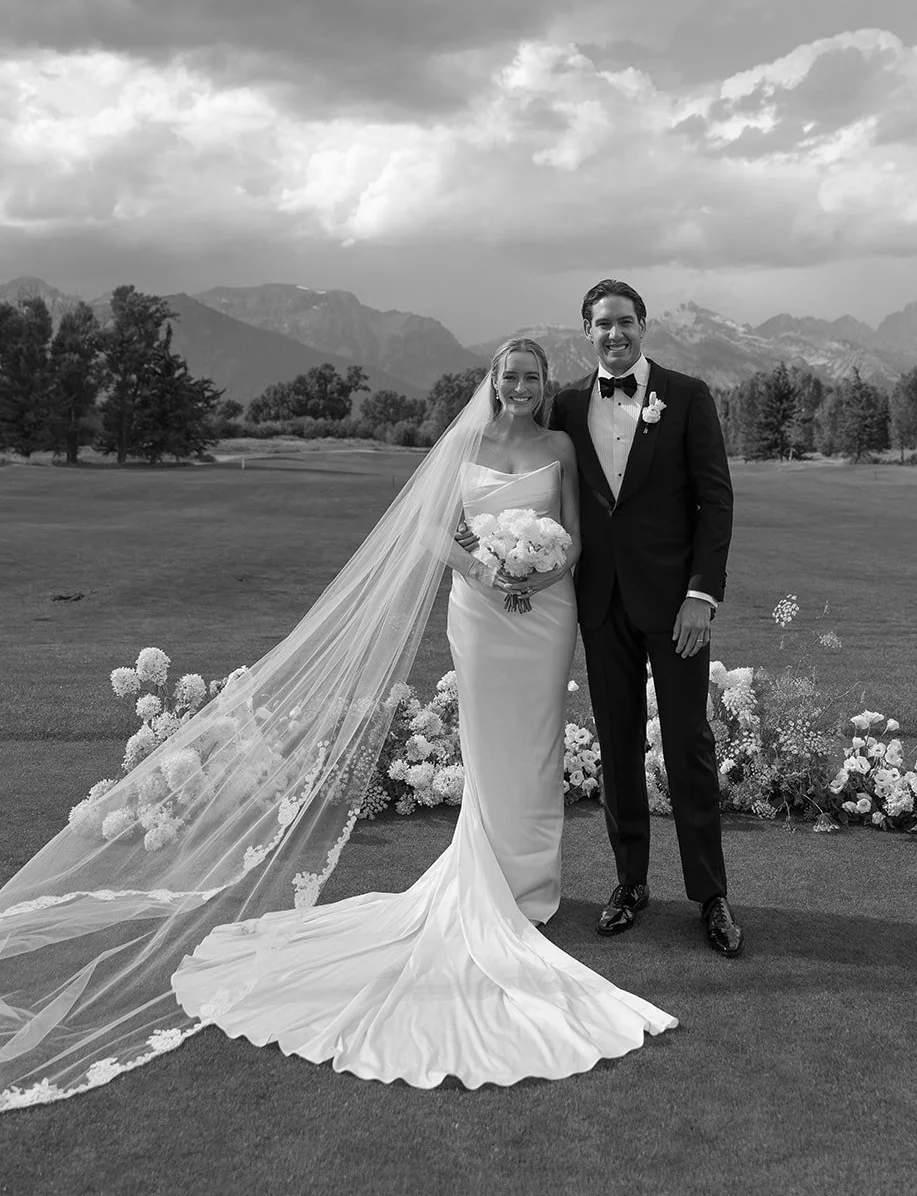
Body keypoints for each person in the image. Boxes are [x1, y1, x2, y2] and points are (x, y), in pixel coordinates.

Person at [0, 339, 674, 1110]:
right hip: (483, 613)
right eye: (508, 376)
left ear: (544, 386)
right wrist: (493, 572)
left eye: (531, 377)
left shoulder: (558, 443)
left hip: (543, 613)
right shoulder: (467, 442)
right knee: (490, 746)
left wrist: (540, 573)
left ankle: (535, 888)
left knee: (538, 742)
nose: (520, 386)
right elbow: (439, 532)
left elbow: (576, 534)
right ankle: (487, 884)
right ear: (492, 383)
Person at [548, 281, 743, 957]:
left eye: (625, 322)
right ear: (586, 330)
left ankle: (709, 895)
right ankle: (629, 883)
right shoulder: (566, 404)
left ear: (642, 326)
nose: (614, 333)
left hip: (675, 606)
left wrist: (701, 594)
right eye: (602, 324)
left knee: (688, 744)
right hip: (599, 603)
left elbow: (713, 503)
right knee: (618, 743)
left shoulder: (687, 395)